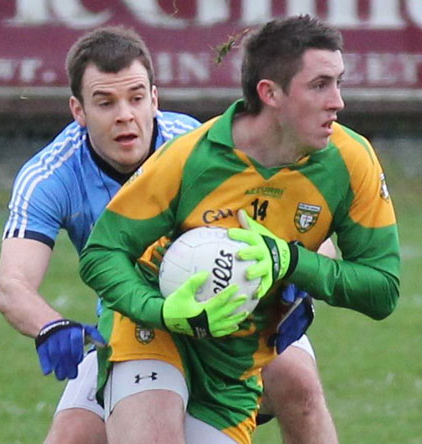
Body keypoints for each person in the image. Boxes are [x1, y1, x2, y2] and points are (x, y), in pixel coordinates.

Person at [0, 23, 338, 444]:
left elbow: (315, 235)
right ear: (78, 110)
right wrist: (52, 326)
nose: (125, 114)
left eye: (137, 98)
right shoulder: (51, 176)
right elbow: (12, 284)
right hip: (133, 321)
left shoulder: (199, 149)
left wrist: (299, 283)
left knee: (299, 383)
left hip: (227, 320)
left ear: (154, 99)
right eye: (105, 102)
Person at [79, 14, 400, 444]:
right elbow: (102, 252)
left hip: (233, 368)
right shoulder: (192, 158)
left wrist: (290, 261)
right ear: (270, 93)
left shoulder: (351, 161)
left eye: (339, 82)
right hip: (151, 333)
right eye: (320, 85)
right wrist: (160, 310)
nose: (338, 101)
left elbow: (383, 289)